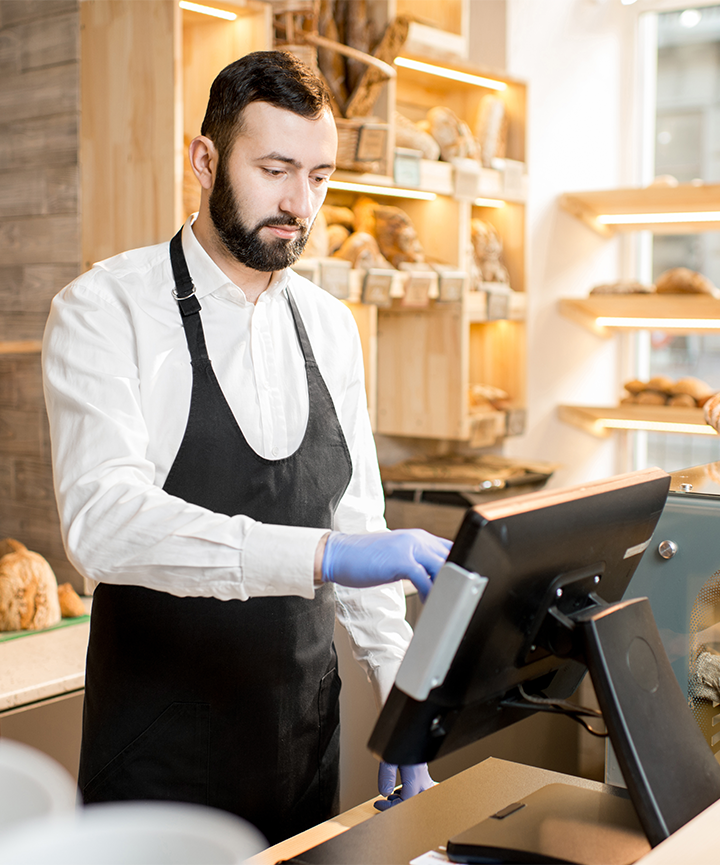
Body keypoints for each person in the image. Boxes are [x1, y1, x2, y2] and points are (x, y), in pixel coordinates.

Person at [42, 51, 451, 845]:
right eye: (275, 170)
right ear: (205, 160)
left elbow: (358, 520)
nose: (300, 203)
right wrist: (324, 555)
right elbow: (103, 523)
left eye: (320, 177)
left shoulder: (330, 326)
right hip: (157, 771)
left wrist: (404, 701)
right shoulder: (105, 308)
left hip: (302, 753)